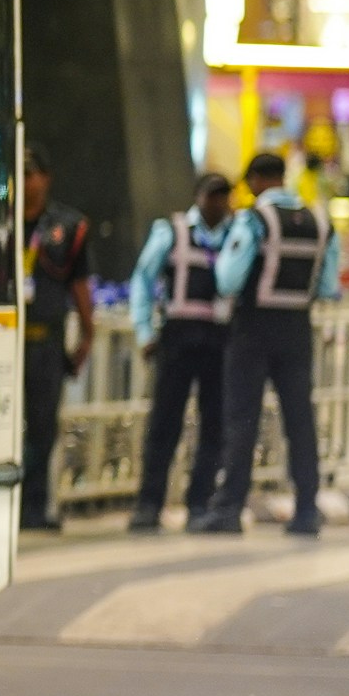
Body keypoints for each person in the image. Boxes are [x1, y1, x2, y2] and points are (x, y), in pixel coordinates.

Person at [199, 147, 338, 536]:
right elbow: (328, 285)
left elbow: (228, 278)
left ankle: (229, 509)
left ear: (258, 182)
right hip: (297, 328)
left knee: (242, 419)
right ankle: (307, 509)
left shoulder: (255, 220)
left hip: (253, 331)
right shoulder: (320, 221)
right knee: (300, 420)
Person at [124, 171, 237, 532]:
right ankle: (149, 503)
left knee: (214, 426)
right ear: (197, 196)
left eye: (223, 196)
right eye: (211, 196)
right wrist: (144, 330)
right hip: (177, 337)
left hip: (219, 340)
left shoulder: (237, 234)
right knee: (164, 423)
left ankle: (199, 504)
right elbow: (143, 278)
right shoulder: (170, 231)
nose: (217, 203)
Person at [17, 147, 92, 530]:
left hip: (45, 341)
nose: (27, 181)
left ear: (46, 178)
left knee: (43, 428)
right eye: (21, 172)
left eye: (32, 173)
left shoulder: (64, 227)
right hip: (5, 341)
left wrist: (86, 335)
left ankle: (34, 507)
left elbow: (79, 285)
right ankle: (9, 506)